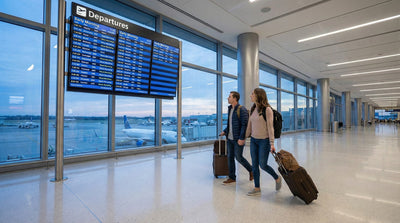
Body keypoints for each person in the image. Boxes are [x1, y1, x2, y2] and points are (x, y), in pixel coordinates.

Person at [245, 88, 281, 196]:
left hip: (264, 141)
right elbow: (249, 126)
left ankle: (277, 177)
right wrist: (243, 138)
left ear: (258, 96)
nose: (251, 96)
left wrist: (272, 144)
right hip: (254, 141)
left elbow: (270, 128)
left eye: (252, 94)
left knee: (263, 164)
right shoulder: (252, 109)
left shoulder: (267, 110)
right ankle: (257, 188)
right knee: (254, 165)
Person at [219, 91, 253, 184]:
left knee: (238, 157)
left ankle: (251, 170)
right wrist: (225, 131)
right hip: (229, 138)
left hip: (238, 138)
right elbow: (230, 124)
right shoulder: (230, 109)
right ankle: (232, 177)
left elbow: (244, 125)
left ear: (235, 98)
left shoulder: (242, 110)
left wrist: (242, 138)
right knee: (230, 157)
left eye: (229, 96)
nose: (228, 98)